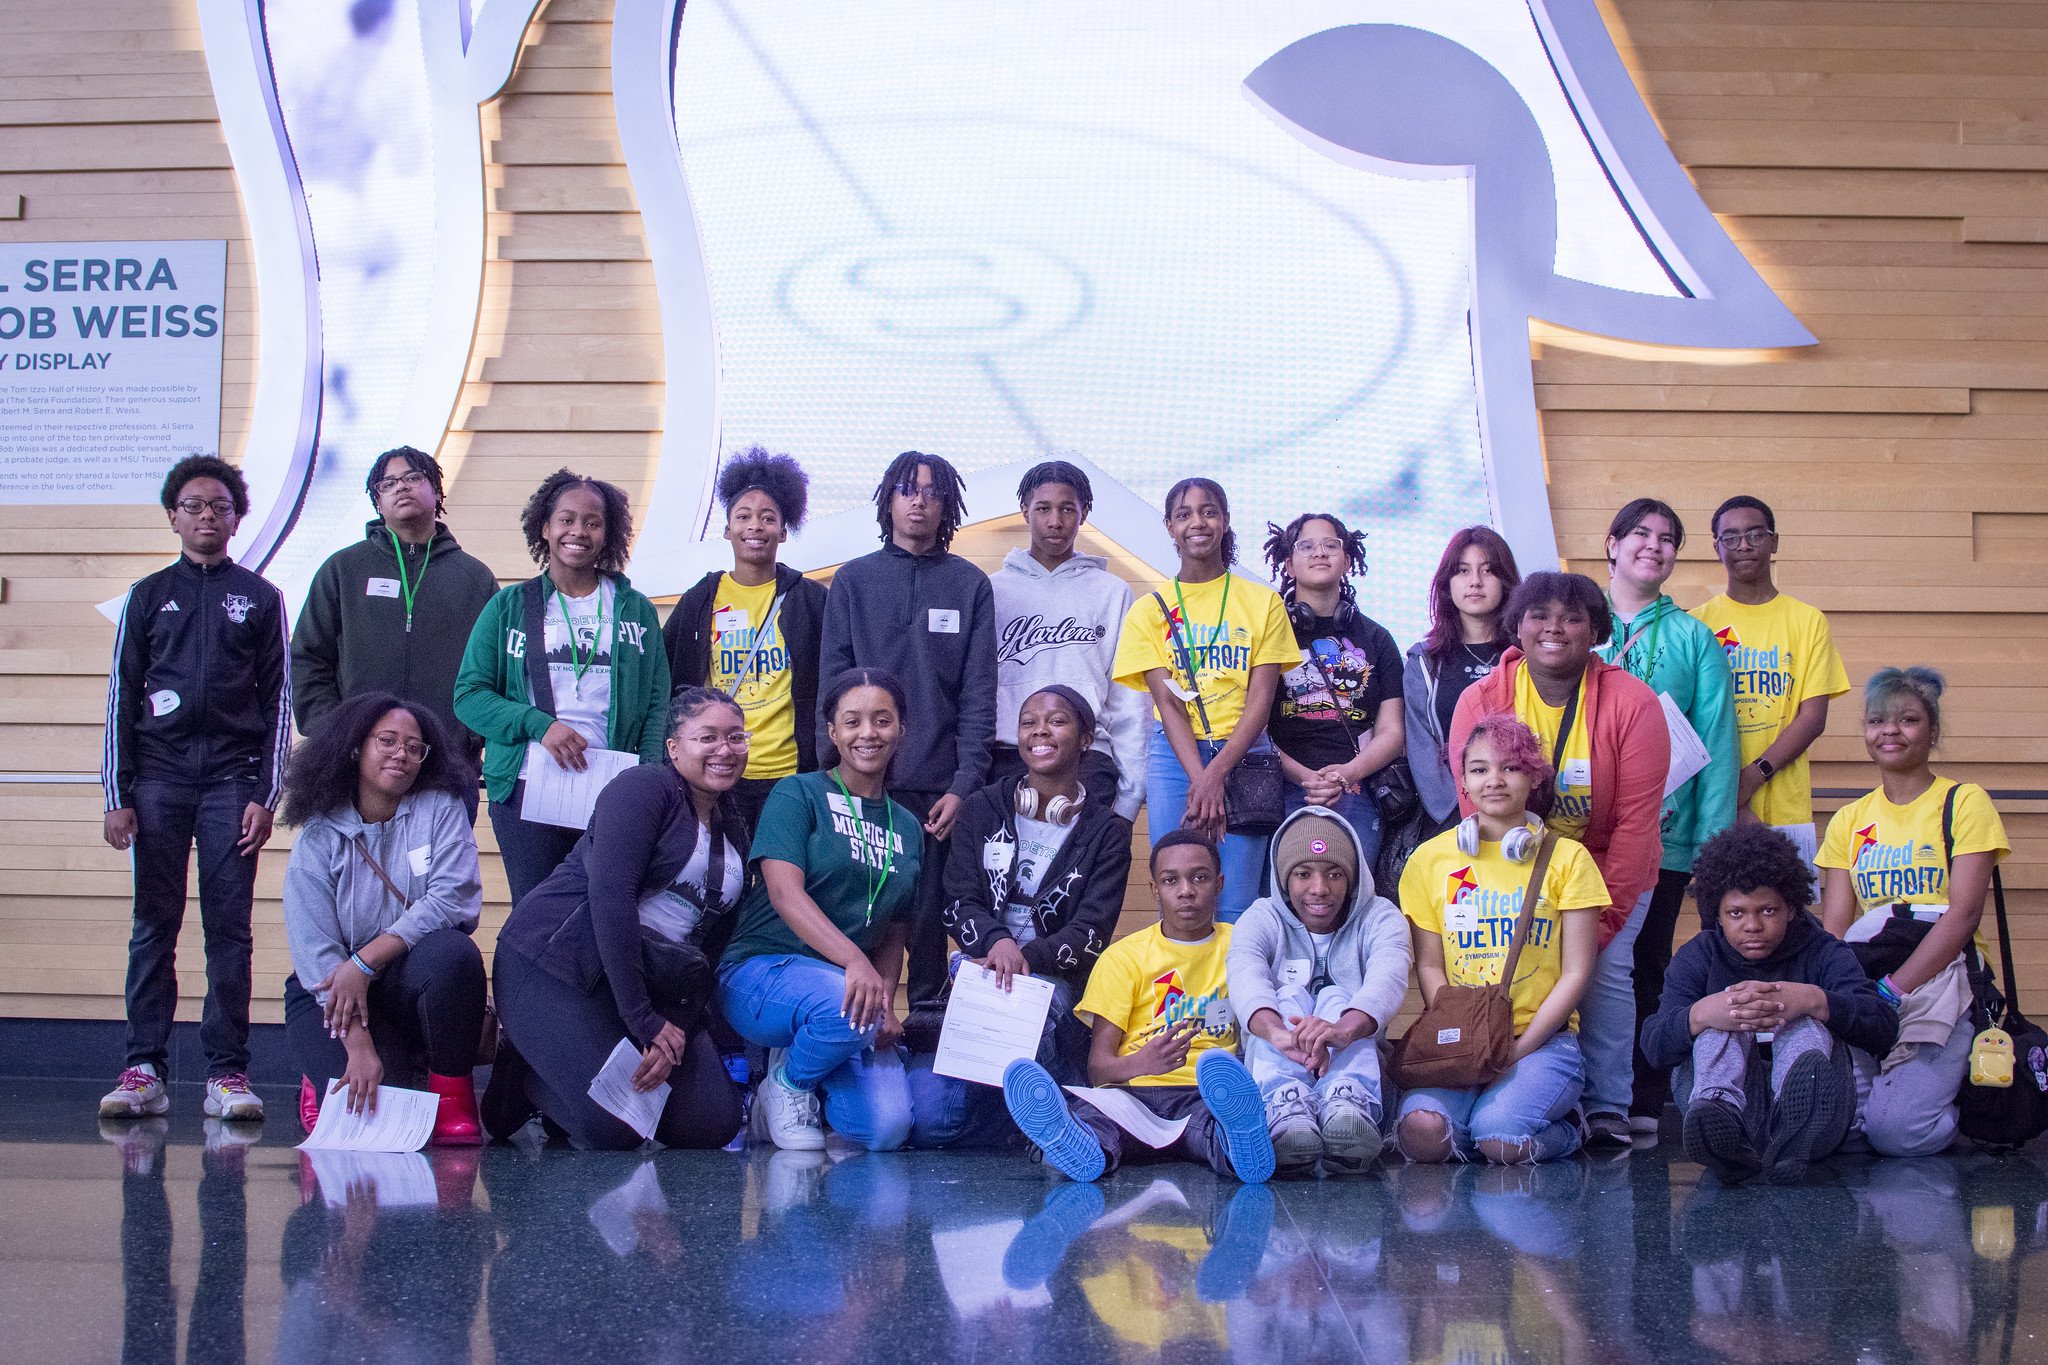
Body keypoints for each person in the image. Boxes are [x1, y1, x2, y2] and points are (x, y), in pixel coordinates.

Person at [99, 455, 290, 1125]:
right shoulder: (148, 595)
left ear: (237, 518)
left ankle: (227, 1073)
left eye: (220, 505)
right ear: (173, 516)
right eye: (194, 505)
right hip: (157, 781)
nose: (207, 515)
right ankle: (143, 1068)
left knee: (228, 932)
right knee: (154, 925)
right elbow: (122, 695)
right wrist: (116, 795)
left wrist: (266, 796)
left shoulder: (262, 598)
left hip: (232, 786)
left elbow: (279, 703)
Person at [1449, 571, 1668, 1148]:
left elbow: (1637, 825)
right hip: (1516, 864)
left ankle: (1606, 1107)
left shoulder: (1633, 703)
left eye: (1572, 617)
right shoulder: (1482, 699)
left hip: (1606, 864)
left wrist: (1606, 920)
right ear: (1516, 625)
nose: (1554, 628)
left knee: (1605, 972)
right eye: (1539, 615)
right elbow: (1474, 798)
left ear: (1596, 630)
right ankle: (1519, 1093)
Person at [485, 686, 751, 1150]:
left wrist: (675, 1029)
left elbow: (705, 949)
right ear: (673, 747)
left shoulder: (734, 825)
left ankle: (568, 1073)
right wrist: (643, 1020)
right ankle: (523, 1073)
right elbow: (612, 898)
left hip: (647, 983)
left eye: (736, 738)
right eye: (707, 738)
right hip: (556, 966)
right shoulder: (644, 788)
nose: (724, 750)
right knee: (617, 1130)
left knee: (712, 1123)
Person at [816, 452, 997, 1026]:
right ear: (886, 501)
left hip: (941, 789)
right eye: (904, 489)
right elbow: (832, 681)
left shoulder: (970, 584)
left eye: (929, 491)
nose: (917, 500)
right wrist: (840, 780)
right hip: (864, 785)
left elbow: (978, 694)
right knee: (858, 909)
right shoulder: (852, 579)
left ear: (946, 504)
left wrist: (966, 784)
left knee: (927, 920)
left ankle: (921, 1033)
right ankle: (843, 1030)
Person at [912, 685, 1135, 1147]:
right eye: (1028, 721)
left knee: (1036, 1015)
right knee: (934, 1123)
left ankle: (1061, 1126)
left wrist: (1025, 957)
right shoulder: (981, 809)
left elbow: (1091, 929)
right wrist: (998, 945)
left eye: (1056, 721)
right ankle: (1047, 1116)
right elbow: (958, 900)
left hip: (1055, 983)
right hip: (980, 971)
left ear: (1086, 739)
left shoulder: (1108, 833)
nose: (1039, 730)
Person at [998, 828, 1277, 1183]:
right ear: (1154, 890)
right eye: (1170, 880)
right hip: (1133, 1095)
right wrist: (1142, 1062)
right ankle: (1075, 1142)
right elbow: (1099, 1070)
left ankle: (1239, 1145)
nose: (1186, 890)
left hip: (1206, 1094)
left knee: (1218, 1125)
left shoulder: (1242, 946)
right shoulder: (1123, 958)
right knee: (1100, 1118)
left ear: (1219, 884)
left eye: (1199, 878)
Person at [720, 669, 923, 1152]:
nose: (867, 733)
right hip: (762, 970)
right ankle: (786, 1084)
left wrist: (887, 1000)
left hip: (848, 996)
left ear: (901, 728)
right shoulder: (798, 794)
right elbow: (785, 895)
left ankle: (813, 1055)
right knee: (842, 1006)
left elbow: (893, 927)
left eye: (882, 720)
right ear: (833, 732)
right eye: (852, 722)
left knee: (887, 1130)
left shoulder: (908, 825)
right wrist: (856, 962)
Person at [278, 692, 488, 1144]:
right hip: (332, 993)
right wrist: (357, 1046)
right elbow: (316, 953)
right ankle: (321, 1076)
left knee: (455, 954)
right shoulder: (318, 837)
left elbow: (454, 899)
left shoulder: (440, 808)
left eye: (414, 748)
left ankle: (452, 1094)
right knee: (379, 1117)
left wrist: (366, 962)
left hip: (406, 976)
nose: (402, 755)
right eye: (388, 741)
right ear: (357, 748)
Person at [454, 469, 670, 908]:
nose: (579, 531)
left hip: (611, 788)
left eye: (593, 522)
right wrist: (539, 725)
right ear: (545, 528)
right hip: (526, 785)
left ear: (608, 534)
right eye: (566, 520)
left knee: (604, 916)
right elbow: (469, 696)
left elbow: (656, 706)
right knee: (534, 915)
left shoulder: (635, 609)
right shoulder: (509, 606)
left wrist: (646, 778)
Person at [1396, 715, 1606, 1164]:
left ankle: (1568, 1130)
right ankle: (1482, 1117)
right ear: (1464, 783)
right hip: (1464, 1038)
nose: (1494, 780)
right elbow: (1429, 965)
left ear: (1533, 777)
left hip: (1541, 1041)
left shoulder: (1568, 858)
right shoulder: (1428, 861)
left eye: (1510, 767)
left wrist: (1516, 1049)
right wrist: (1465, 1036)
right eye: (1479, 769)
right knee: (1420, 1135)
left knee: (1500, 1139)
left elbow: (1577, 970)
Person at [1818, 667, 2010, 1158]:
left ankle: (1964, 1113)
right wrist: (1854, 999)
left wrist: (1895, 989)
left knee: (1895, 1135)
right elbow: (1835, 930)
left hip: (1943, 986)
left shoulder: (1965, 803)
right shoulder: (1848, 820)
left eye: (1907, 720)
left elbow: (1963, 914)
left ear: (1932, 732)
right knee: (1850, 1131)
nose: (1889, 731)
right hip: (1871, 990)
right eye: (1877, 720)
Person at [1640, 824, 1897, 1185]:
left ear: (1792, 908)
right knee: (1719, 1022)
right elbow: (1653, 1046)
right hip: (1734, 1114)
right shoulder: (1699, 955)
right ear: (1716, 913)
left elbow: (1884, 1027)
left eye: (1767, 911)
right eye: (1736, 913)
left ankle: (1795, 1123)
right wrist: (1700, 1015)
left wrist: (1814, 1000)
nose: (1752, 926)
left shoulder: (1824, 950)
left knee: (1803, 1020)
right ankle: (1720, 1118)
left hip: (1818, 1129)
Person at [1594, 497, 1739, 1132]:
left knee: (1647, 966)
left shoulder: (1692, 637)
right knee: (1569, 963)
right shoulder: (1575, 622)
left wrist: (1711, 845)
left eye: (1669, 538)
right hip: (1576, 835)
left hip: (1666, 836)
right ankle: (1575, 1092)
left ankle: (1641, 1098)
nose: (1654, 546)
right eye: (1642, 534)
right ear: (1612, 544)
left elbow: (1717, 741)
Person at [1112, 478, 1296, 922]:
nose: (1198, 522)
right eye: (1184, 514)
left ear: (1226, 521)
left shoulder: (1263, 603)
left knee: (1236, 904)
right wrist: (1201, 778)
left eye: (1209, 511)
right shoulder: (1148, 610)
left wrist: (1217, 772)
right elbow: (1167, 702)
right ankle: (1183, 992)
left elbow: (1261, 701)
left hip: (1244, 755)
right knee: (1179, 899)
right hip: (1175, 761)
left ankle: (1236, 994)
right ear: (1170, 527)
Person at [290, 445, 500, 821]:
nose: (401, 487)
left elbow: (498, 670)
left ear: (436, 491)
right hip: (354, 765)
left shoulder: (475, 578)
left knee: (440, 877)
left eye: (413, 478)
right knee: (356, 875)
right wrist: (335, 733)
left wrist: (468, 738)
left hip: (446, 766)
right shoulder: (343, 569)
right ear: (377, 502)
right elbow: (308, 657)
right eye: (387, 483)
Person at [1226, 806, 1411, 1176]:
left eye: (1334, 873)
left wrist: (1341, 1030)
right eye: (1302, 873)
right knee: (1285, 997)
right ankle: (1283, 1108)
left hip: (1361, 1071)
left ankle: (1349, 1108)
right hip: (1277, 1062)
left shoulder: (1381, 916)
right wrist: (1279, 1034)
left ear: (1353, 877)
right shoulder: (1261, 918)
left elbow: (1388, 977)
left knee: (1339, 999)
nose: (1319, 889)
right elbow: (1245, 976)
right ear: (1283, 878)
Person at [662, 446, 828, 834]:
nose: (755, 526)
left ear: (784, 532)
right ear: (726, 529)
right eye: (744, 516)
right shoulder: (701, 598)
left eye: (768, 518)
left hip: (789, 774)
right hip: (715, 771)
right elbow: (667, 675)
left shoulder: (811, 598)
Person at [1691, 494, 1849, 860]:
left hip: (1784, 803)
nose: (1743, 545)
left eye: (1755, 534)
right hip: (1713, 802)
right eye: (1730, 537)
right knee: (1720, 913)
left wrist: (1752, 777)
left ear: (1773, 541)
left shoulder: (1808, 621)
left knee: (1785, 910)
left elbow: (1812, 719)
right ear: (1716, 547)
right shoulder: (1696, 625)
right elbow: (1687, 721)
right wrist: (1728, 789)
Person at [988, 460, 1146, 820]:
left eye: (1067, 509)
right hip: (1007, 758)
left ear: (1084, 512)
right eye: (1043, 508)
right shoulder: (992, 590)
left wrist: (1131, 796)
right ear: (1025, 510)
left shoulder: (1113, 593)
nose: (1055, 521)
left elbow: (1129, 699)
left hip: (1089, 760)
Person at [1262, 513, 1406, 868]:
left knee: (1352, 898)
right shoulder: (1267, 634)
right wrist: (1306, 777)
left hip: (1355, 791)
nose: (1319, 553)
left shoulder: (1377, 638)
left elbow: (1392, 731)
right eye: (1306, 546)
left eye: (1331, 545)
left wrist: (1348, 774)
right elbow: (1254, 726)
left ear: (1347, 559)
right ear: (1288, 564)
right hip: (1281, 789)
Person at [1404, 527, 1522, 841]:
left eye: (1488, 571)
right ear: (1447, 583)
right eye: (1463, 571)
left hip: (1523, 813)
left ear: (1505, 581)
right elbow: (1423, 750)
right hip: (1452, 818)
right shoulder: (1424, 662)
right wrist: (1464, 811)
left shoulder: (1527, 658)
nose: (1475, 582)